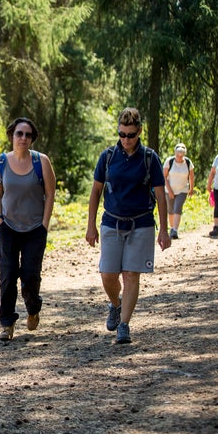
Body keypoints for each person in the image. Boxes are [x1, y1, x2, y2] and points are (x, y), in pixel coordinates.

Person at [86, 107, 170, 344]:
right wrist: (90, 225)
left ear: (139, 132)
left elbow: (161, 195)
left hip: (141, 223)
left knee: (131, 273)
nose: (126, 140)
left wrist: (164, 229)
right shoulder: (108, 156)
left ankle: (124, 325)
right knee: (108, 274)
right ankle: (115, 304)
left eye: (130, 135)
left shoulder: (150, 158)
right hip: (111, 221)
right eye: (122, 134)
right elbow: (95, 191)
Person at [0, 117, 56, 341]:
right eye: (19, 133)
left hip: (34, 228)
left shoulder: (42, 161)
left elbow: (50, 193)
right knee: (8, 274)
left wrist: (45, 224)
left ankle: (33, 308)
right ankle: (7, 324)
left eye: (28, 135)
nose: (23, 138)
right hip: (8, 226)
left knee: (30, 275)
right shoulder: (1, 162)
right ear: (12, 135)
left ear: (32, 139)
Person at [163, 143, 194, 239]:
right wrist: (169, 190)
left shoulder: (188, 163)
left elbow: (191, 177)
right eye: (178, 156)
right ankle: (172, 228)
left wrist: (191, 189)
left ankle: (175, 230)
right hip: (169, 189)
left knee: (177, 208)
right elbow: (164, 176)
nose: (180, 158)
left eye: (181, 156)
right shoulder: (169, 161)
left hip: (182, 190)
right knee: (170, 210)